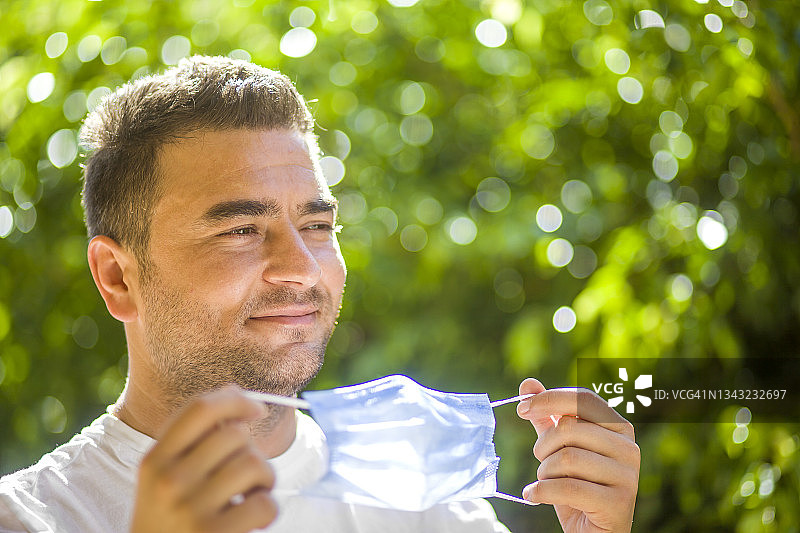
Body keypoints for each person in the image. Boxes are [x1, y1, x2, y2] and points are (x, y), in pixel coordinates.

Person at [0, 56, 639, 533]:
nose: (301, 268)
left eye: (316, 225)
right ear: (117, 276)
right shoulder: (32, 518)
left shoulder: (420, 501)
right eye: (241, 230)